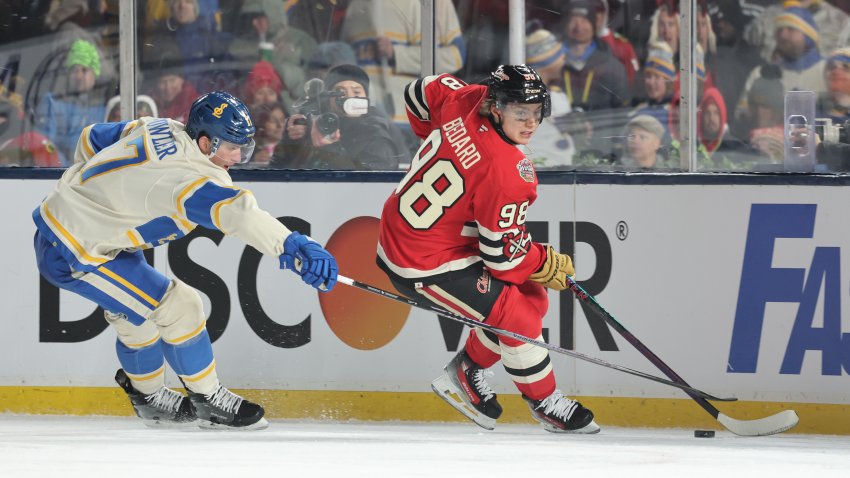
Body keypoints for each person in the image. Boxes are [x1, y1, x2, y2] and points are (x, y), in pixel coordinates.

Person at [31, 91, 339, 429]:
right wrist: (293, 244)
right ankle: (209, 400)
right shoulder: (188, 178)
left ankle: (148, 399)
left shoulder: (160, 126)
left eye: (244, 147)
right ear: (205, 142)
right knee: (180, 306)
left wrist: (95, 199)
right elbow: (238, 214)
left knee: (137, 313)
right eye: (231, 146)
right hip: (76, 251)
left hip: (71, 232)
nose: (237, 156)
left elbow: (91, 137)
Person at [376, 64, 600, 434]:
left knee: (530, 294)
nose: (530, 123)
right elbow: (501, 257)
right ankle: (543, 401)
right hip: (420, 260)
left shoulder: (463, 97)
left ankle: (467, 370)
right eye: (519, 113)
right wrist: (543, 260)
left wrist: (432, 138)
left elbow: (418, 91)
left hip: (418, 231)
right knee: (519, 317)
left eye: (536, 113)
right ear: (496, 107)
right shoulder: (509, 170)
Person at [272, 64, 406, 170]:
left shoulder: (377, 135)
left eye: (356, 92)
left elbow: (368, 186)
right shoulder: (315, 126)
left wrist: (328, 149)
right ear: (329, 99)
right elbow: (277, 169)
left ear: (366, 98)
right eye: (340, 92)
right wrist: (293, 139)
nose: (349, 96)